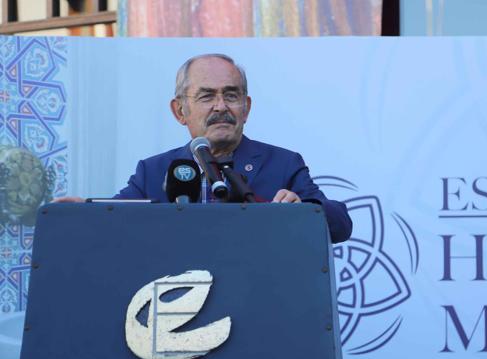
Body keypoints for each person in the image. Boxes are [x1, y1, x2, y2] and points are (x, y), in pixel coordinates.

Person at [57, 53, 352, 243]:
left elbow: (340, 224)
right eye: (207, 96)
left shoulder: (283, 164)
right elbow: (114, 218)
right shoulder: (153, 171)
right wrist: (83, 213)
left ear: (246, 108)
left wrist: (302, 211)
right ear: (180, 111)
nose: (221, 106)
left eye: (231, 95)